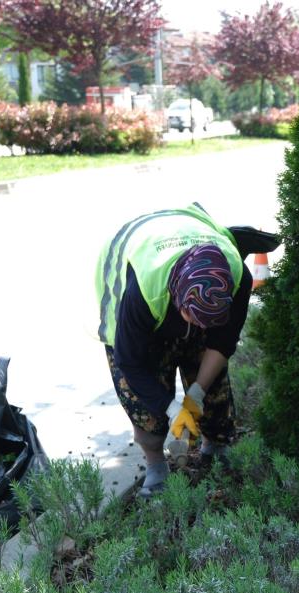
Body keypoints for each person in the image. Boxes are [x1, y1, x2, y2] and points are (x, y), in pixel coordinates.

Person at [95, 203, 253, 496]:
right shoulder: (142, 293)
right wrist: (170, 408)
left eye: (209, 323)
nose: (201, 330)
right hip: (141, 287)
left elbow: (221, 342)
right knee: (145, 406)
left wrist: (195, 395)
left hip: (188, 270)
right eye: (195, 320)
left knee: (213, 386)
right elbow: (130, 363)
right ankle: (156, 466)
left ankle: (215, 448)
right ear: (177, 299)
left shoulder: (238, 278)